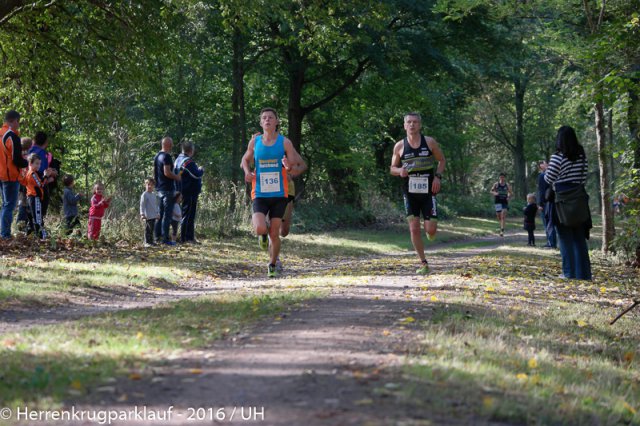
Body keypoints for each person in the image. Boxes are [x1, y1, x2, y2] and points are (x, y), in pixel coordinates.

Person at [241, 107, 306, 278]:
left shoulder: (285, 142)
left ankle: (272, 263)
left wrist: (287, 165)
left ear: (277, 122)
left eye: (271, 117)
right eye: (264, 118)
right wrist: (247, 172)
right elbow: (245, 160)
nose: (267, 120)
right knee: (260, 227)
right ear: (261, 122)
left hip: (279, 193)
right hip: (260, 191)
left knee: (275, 231)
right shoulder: (255, 142)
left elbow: (293, 165)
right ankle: (262, 235)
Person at [390, 112, 446, 275]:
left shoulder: (429, 142)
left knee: (430, 230)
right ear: (405, 125)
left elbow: (441, 160)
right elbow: (392, 168)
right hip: (410, 192)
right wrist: (400, 170)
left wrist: (437, 177)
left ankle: (431, 232)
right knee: (414, 228)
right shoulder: (399, 146)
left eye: (415, 122)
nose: (412, 125)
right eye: (409, 122)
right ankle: (423, 263)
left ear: (420, 125)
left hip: (429, 191)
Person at [544, 125, 591, 280]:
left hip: (562, 201)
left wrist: (547, 169)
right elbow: (584, 177)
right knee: (579, 238)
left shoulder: (557, 157)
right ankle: (584, 274)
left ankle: (568, 273)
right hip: (579, 199)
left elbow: (548, 178)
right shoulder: (582, 155)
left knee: (564, 238)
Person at [0, 110, 28, 239]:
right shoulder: (12, 136)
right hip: (10, 175)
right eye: (18, 121)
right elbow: (16, 159)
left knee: (5, 204)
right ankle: (5, 234)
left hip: (2, 174)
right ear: (12, 121)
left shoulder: (1, 133)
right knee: (9, 205)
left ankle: (4, 233)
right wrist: (26, 161)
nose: (19, 124)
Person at [173, 141, 203, 243]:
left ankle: (183, 236)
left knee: (184, 213)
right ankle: (186, 238)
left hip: (180, 190)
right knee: (188, 215)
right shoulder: (188, 162)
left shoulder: (177, 160)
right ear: (191, 150)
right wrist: (201, 170)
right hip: (189, 191)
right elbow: (196, 174)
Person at [153, 137, 181, 246]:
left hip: (159, 189)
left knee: (160, 214)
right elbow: (167, 172)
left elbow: (155, 172)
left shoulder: (157, 156)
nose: (172, 146)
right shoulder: (166, 156)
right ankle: (165, 239)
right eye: (172, 144)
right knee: (167, 215)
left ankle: (157, 237)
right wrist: (177, 177)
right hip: (167, 189)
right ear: (168, 145)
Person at [18, 154, 50, 239]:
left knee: (31, 218)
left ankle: (30, 235)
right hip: (35, 198)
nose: (38, 166)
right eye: (36, 163)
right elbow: (41, 185)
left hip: (29, 198)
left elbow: (24, 182)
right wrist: (46, 176)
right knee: (38, 218)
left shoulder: (29, 173)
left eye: (39, 164)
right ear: (30, 164)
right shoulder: (32, 174)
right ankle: (42, 237)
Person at [28, 131, 58, 220]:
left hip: (27, 184)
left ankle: (27, 227)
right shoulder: (41, 152)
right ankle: (39, 229)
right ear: (45, 142)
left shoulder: (29, 150)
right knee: (40, 209)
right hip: (38, 187)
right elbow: (42, 170)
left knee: (27, 208)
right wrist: (52, 173)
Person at [536, 160, 557, 248]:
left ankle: (551, 243)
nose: (546, 163)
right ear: (540, 166)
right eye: (544, 163)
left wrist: (540, 204)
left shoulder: (542, 176)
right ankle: (551, 242)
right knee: (550, 222)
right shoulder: (551, 175)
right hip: (551, 201)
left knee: (548, 222)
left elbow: (541, 191)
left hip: (546, 202)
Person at [15, 137, 32, 231]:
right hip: (25, 183)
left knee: (23, 204)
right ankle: (21, 224)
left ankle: (22, 225)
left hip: (20, 182)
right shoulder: (28, 156)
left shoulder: (17, 154)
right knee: (24, 205)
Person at [140, 178, 160, 247]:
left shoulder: (153, 195)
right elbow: (142, 205)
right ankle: (147, 242)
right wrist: (142, 214)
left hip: (153, 215)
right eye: (148, 184)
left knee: (152, 229)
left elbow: (155, 205)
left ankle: (151, 241)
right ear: (145, 185)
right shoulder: (144, 194)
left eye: (151, 185)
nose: (149, 186)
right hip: (147, 215)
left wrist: (157, 213)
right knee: (147, 229)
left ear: (154, 186)